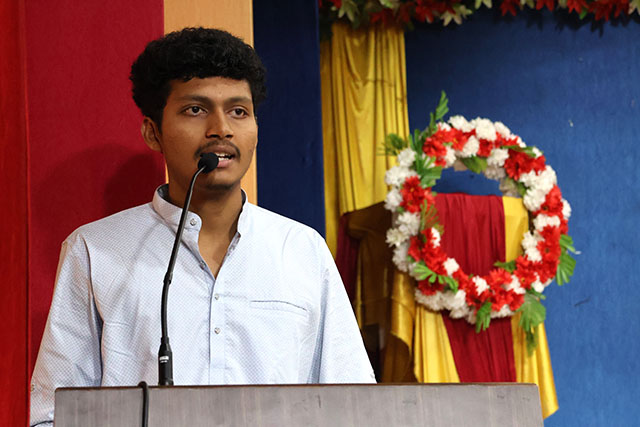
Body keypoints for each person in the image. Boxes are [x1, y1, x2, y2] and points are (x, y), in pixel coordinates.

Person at [30, 27, 375, 426]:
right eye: (196, 109)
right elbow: (54, 415)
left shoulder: (301, 250)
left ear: (256, 129)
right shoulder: (95, 250)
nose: (221, 129)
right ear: (153, 132)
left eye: (238, 111)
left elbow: (353, 407)